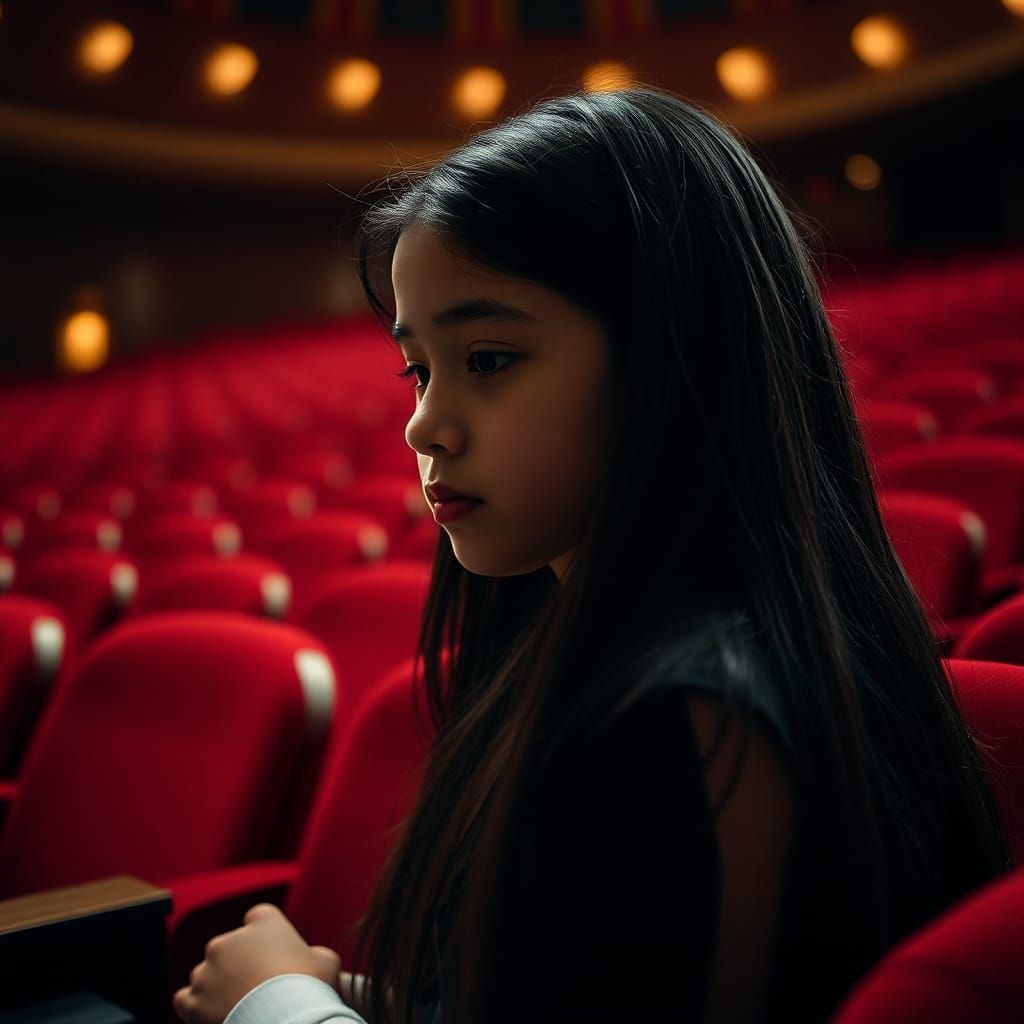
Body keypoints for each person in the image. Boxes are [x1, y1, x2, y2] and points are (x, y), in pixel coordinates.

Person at [172, 86, 1009, 1024]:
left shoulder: (680, 717)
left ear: (674, 358)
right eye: (419, 367)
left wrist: (273, 1002)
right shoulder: (619, 659)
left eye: (487, 358)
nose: (423, 423)